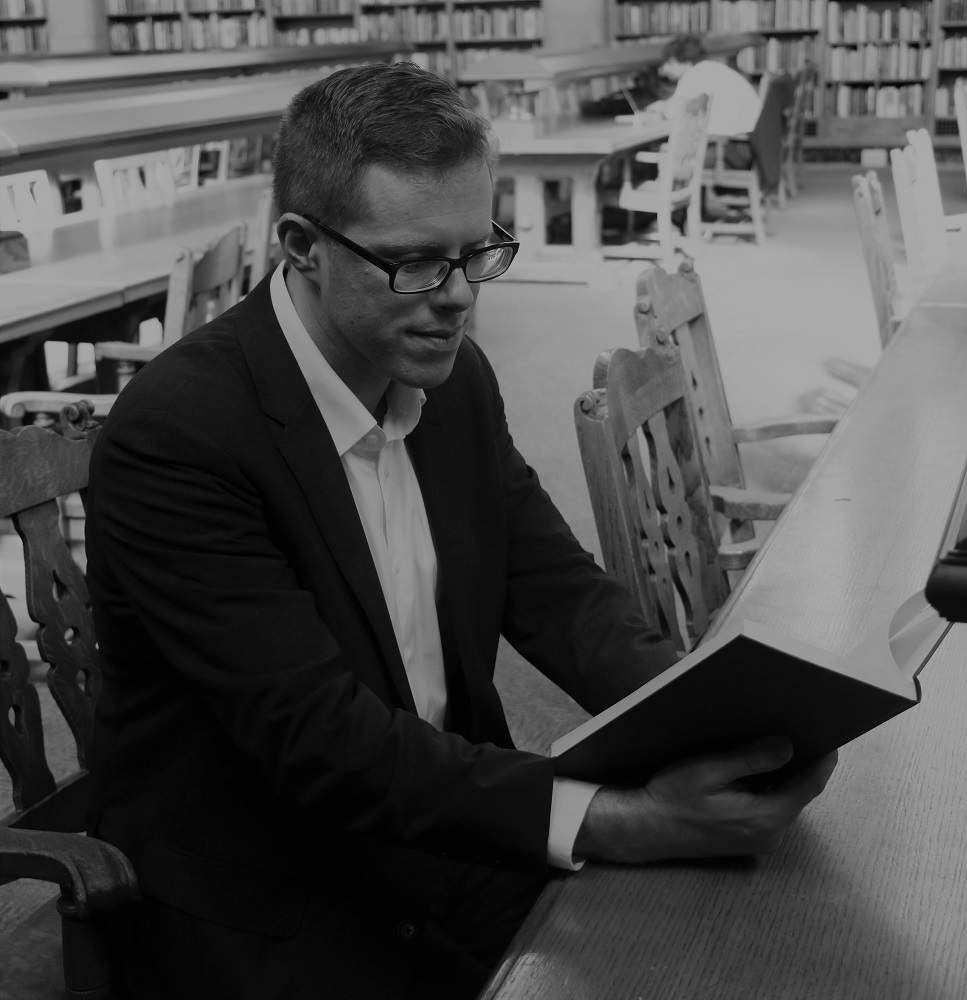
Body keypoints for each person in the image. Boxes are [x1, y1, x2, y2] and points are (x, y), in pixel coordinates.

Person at [85, 61, 837, 1000]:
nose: (459, 297)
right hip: (275, 898)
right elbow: (323, 741)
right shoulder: (180, 433)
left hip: (447, 833)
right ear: (301, 246)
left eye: (477, 252)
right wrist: (616, 819)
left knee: (760, 947)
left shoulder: (453, 380)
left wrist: (726, 720)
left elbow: (559, 595)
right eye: (416, 262)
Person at [648, 33, 762, 170]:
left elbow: (676, 112)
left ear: (674, 60)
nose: (664, 71)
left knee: (660, 158)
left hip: (730, 151)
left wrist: (660, 109)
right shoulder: (712, 68)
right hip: (750, 147)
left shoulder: (693, 75)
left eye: (666, 64)